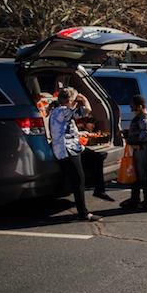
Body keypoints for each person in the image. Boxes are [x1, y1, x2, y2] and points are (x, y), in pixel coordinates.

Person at [49, 88, 103, 221]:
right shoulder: (61, 111)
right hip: (67, 149)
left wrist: (79, 134)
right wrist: (84, 99)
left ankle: (94, 185)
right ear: (70, 100)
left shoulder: (62, 111)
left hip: (74, 145)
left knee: (96, 158)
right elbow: (86, 111)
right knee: (78, 179)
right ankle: (83, 213)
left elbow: (69, 126)